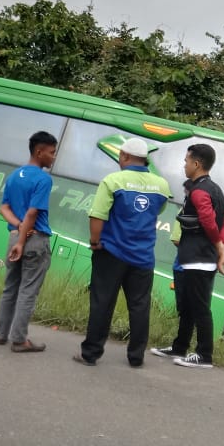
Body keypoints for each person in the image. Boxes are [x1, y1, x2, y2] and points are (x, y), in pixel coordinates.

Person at [74, 137, 171, 368]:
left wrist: (95, 241)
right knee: (139, 306)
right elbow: (158, 210)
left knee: (102, 303)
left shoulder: (113, 180)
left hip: (112, 252)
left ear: (125, 156)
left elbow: (97, 214)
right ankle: (136, 357)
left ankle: (91, 354)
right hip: (143, 256)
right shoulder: (162, 185)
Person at [151, 144, 224, 369]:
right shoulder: (213, 189)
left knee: (199, 306)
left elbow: (208, 221)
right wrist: (222, 248)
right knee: (187, 305)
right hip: (196, 256)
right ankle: (179, 346)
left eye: (186, 161)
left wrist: (218, 247)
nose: (183, 164)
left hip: (199, 257)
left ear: (197, 164)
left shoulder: (200, 191)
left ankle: (204, 354)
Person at [0, 131, 58, 353]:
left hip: (14, 237)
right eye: (51, 152)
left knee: (10, 287)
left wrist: (18, 229)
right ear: (39, 152)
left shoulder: (15, 175)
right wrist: (23, 237)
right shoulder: (43, 179)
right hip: (34, 240)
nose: (53, 157)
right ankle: (19, 340)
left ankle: (1, 334)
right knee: (28, 291)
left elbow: (4, 208)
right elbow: (32, 213)